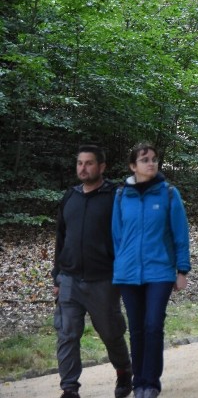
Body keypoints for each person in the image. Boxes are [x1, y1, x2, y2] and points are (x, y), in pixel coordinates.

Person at [52, 145, 133, 398]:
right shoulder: (71, 196)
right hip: (69, 279)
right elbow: (61, 237)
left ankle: (124, 372)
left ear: (102, 167)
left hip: (104, 280)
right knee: (67, 334)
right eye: (79, 163)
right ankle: (69, 389)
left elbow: (129, 236)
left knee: (111, 333)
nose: (83, 168)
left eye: (88, 163)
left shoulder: (115, 196)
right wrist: (57, 275)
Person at [112, 143, 191, 398]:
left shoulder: (168, 194)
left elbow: (180, 234)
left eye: (154, 159)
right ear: (133, 166)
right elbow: (117, 235)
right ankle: (139, 384)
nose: (151, 163)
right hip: (128, 273)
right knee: (136, 329)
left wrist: (182, 270)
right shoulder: (122, 195)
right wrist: (119, 265)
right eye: (145, 160)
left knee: (153, 325)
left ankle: (151, 384)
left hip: (160, 271)